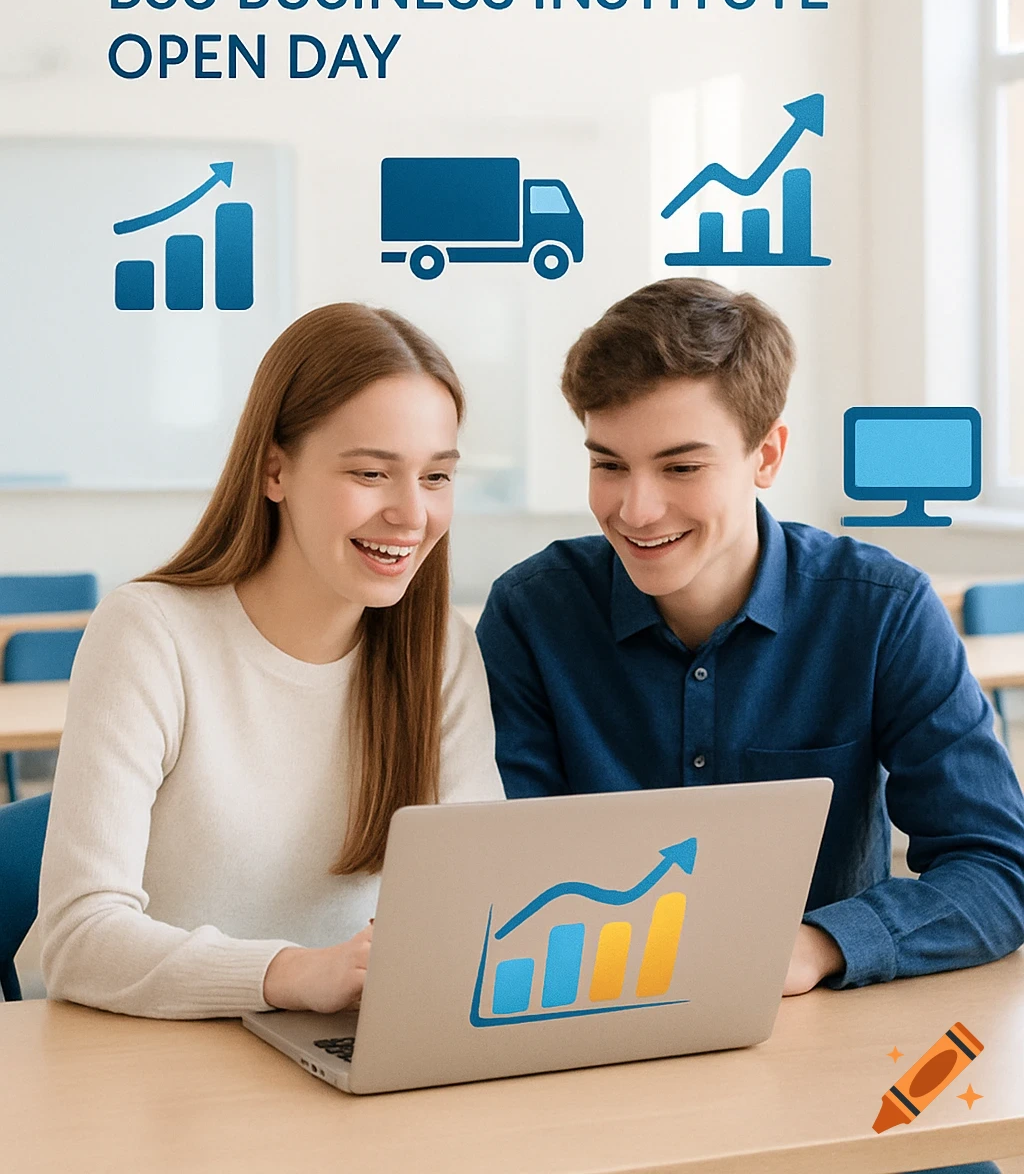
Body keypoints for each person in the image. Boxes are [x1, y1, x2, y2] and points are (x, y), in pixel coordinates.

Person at [478, 277, 1024, 1174]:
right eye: (608, 462)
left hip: (820, 1069)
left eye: (681, 467)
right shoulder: (533, 616)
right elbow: (507, 882)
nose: (635, 508)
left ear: (767, 455)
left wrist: (818, 945)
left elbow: (997, 870)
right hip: (592, 1075)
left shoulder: (880, 611)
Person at [39, 304, 503, 1019]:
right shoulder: (151, 634)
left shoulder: (438, 649)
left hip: (354, 1059)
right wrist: (288, 973)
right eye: (373, 473)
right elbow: (79, 940)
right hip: (156, 1078)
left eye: (436, 477)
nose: (412, 514)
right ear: (274, 470)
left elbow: (478, 902)